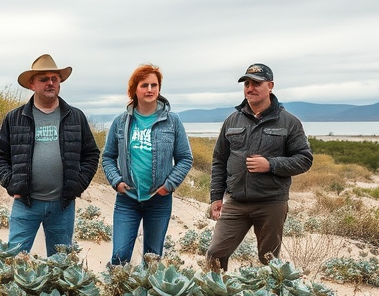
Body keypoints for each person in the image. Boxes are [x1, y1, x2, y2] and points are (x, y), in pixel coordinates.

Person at [206, 63, 313, 271]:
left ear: (270, 86)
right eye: (247, 84)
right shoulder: (232, 120)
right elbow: (219, 160)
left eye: (256, 83)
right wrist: (216, 197)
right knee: (215, 254)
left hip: (271, 203)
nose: (250, 88)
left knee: (269, 261)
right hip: (236, 201)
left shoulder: (289, 122)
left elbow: (304, 159)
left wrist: (270, 165)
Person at [0, 54, 99, 256]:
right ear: (32, 84)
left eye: (54, 79)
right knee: (13, 260)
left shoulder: (75, 116)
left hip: (63, 206)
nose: (50, 83)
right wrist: (11, 183)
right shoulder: (15, 118)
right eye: (44, 79)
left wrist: (78, 183)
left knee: (60, 265)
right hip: (26, 203)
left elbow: (91, 154)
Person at [102, 64, 193, 265]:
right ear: (135, 89)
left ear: (159, 88)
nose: (150, 89)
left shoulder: (172, 121)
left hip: (158, 201)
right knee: (119, 257)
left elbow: (185, 158)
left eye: (154, 85)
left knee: (153, 259)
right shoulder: (121, 122)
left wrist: (168, 186)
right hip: (127, 199)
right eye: (144, 85)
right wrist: (116, 181)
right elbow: (108, 156)